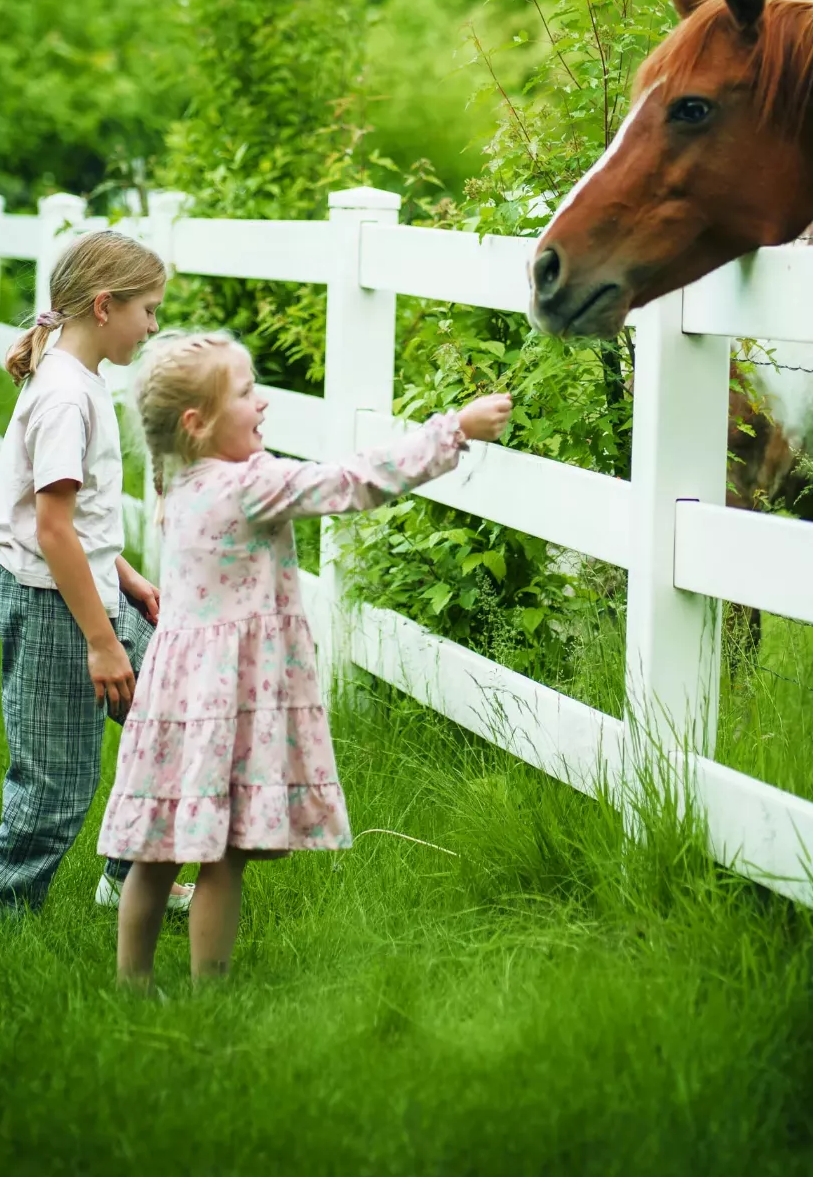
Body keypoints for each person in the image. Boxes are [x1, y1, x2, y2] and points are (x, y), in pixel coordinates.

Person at [98, 330, 512, 988]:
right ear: (197, 422)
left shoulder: (177, 485)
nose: (262, 404)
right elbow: (353, 481)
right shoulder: (249, 484)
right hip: (232, 699)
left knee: (158, 851)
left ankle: (132, 981)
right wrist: (453, 429)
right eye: (245, 392)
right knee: (223, 855)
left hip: (178, 699)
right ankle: (212, 991)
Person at [0, 229, 193, 926]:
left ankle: (130, 878)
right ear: (104, 306)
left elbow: (70, 517)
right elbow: (51, 530)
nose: (153, 325)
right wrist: (102, 640)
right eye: (148, 309)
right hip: (54, 606)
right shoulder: (64, 395)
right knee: (55, 788)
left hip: (87, 591)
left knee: (175, 715)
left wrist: (127, 578)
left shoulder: (79, 379)